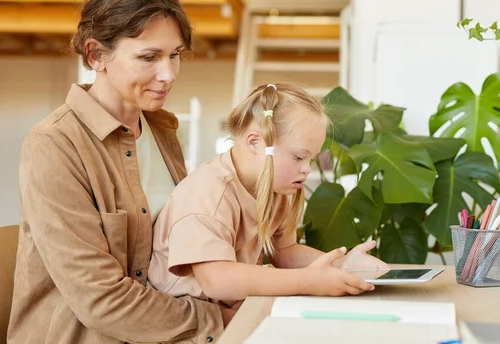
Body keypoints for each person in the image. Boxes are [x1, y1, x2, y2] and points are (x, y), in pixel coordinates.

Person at [8, 0, 228, 344]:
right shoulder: (54, 146)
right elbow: (103, 301)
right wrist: (217, 320)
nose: (168, 73)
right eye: (149, 57)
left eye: (175, 55)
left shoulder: (161, 130)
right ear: (96, 55)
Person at [148, 83, 389, 310]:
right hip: (186, 317)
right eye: (298, 157)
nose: (307, 169)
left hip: (229, 308)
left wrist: (343, 265)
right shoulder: (207, 195)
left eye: (311, 159)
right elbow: (216, 280)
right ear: (255, 142)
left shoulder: (276, 190)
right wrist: (307, 281)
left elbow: (285, 252)